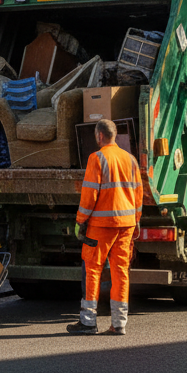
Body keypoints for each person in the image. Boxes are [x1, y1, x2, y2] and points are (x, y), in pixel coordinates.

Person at [68, 119, 143, 336]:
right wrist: (136, 220)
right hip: (126, 225)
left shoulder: (97, 158)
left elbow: (89, 194)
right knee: (120, 272)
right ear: (115, 136)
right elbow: (139, 195)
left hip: (102, 225)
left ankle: (88, 322)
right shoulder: (131, 160)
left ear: (100, 136)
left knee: (92, 269)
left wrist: (80, 220)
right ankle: (119, 323)